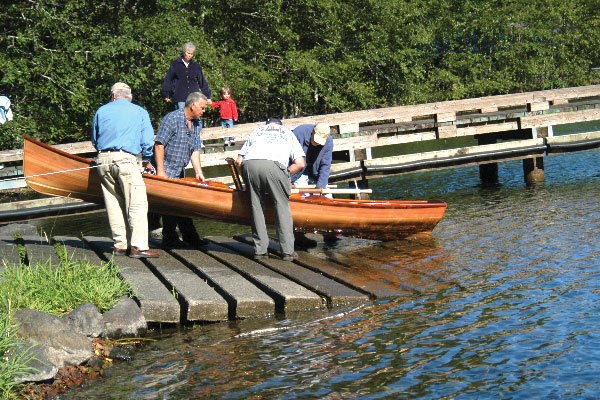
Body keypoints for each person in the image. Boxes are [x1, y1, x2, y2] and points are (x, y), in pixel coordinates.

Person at [91, 82, 159, 258]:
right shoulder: (139, 112)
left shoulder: (101, 111)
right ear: (129, 97)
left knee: (113, 203)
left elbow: (95, 139)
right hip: (126, 159)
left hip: (103, 160)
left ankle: (120, 245)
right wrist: (147, 159)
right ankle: (138, 246)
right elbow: (147, 141)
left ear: (113, 96)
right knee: (137, 203)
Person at [235, 118, 305, 261]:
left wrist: (248, 180)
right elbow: (300, 163)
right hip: (274, 165)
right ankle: (287, 251)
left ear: (267, 125)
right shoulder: (287, 132)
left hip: (250, 165)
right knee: (281, 206)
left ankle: (260, 251)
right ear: (280, 125)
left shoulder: (257, 131)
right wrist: (285, 174)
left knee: (256, 207)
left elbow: (239, 161)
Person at [154, 92, 209, 247]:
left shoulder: (197, 123)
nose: (204, 111)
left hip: (180, 169)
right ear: (193, 105)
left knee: (181, 204)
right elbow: (159, 144)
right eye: (202, 108)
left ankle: (189, 237)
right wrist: (161, 171)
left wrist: (198, 171)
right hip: (166, 167)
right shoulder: (172, 119)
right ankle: (171, 238)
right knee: (171, 205)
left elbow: (195, 149)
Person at [161, 42, 212, 111]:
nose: (190, 55)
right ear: (184, 52)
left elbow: (202, 81)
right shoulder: (175, 64)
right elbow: (168, 79)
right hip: (180, 97)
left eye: (191, 54)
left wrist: (207, 96)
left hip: (194, 98)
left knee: (196, 119)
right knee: (182, 118)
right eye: (188, 53)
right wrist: (166, 94)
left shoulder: (196, 66)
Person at [291, 123, 333, 191]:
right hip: (299, 172)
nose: (317, 143)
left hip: (315, 173)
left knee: (327, 195)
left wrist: (320, 187)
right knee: (304, 195)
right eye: (316, 140)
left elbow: (325, 165)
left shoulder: (328, 141)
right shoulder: (299, 133)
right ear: (313, 131)